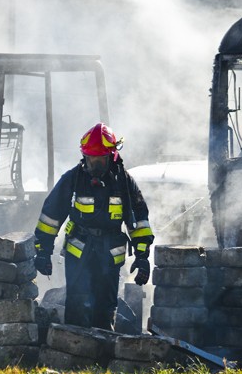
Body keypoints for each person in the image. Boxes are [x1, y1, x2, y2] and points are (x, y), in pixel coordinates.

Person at [33, 123, 154, 330]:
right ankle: (74, 353)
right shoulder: (73, 178)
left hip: (109, 254)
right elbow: (50, 217)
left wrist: (142, 257)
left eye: (99, 159)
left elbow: (139, 221)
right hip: (79, 252)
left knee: (105, 307)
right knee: (77, 303)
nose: (94, 164)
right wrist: (42, 251)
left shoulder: (123, 182)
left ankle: (101, 354)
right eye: (90, 159)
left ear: (111, 156)